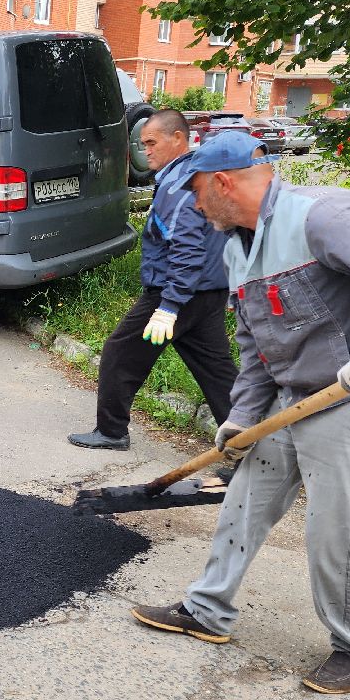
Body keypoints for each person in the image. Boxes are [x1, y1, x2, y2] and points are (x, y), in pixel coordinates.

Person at [131, 131, 350, 694]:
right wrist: (240, 417)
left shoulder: (322, 217)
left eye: (193, 192)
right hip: (296, 399)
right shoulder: (238, 247)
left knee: (332, 527)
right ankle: (207, 610)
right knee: (245, 499)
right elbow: (258, 346)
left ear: (221, 182)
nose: (191, 204)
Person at [69, 110, 238, 451]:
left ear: (178, 138)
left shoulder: (178, 187)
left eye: (152, 142)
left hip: (176, 293)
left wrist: (169, 306)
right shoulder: (196, 176)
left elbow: (188, 249)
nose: (146, 150)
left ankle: (112, 431)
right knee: (218, 374)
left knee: (119, 353)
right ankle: (254, 449)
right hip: (208, 291)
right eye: (143, 143)